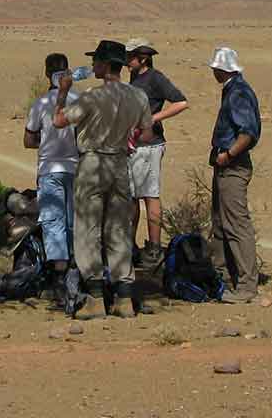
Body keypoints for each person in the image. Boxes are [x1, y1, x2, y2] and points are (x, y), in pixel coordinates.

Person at [51, 39, 154, 319]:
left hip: (93, 163)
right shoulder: (138, 97)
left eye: (96, 60)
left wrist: (63, 92)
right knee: (119, 229)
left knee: (87, 229)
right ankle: (124, 299)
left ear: (106, 65)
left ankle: (95, 298)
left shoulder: (92, 98)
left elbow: (58, 121)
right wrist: (127, 138)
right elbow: (146, 133)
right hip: (121, 164)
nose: (93, 65)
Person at [124, 39, 189, 268]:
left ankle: (153, 248)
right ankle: (129, 245)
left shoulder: (155, 77)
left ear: (142, 58)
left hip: (150, 147)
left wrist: (154, 118)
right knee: (131, 197)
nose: (126, 61)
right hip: (134, 145)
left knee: (150, 195)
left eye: (130, 56)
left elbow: (181, 102)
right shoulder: (135, 77)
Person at [208, 47, 261, 305]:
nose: (213, 72)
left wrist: (228, 155)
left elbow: (247, 132)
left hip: (233, 166)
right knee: (221, 223)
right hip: (226, 165)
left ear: (223, 69)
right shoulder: (234, 89)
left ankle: (246, 285)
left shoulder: (238, 93)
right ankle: (224, 278)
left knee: (236, 225)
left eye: (215, 68)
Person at [25, 52, 79, 300]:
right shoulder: (79, 101)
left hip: (49, 169)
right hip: (76, 168)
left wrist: (47, 141)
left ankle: (59, 276)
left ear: (47, 73)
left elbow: (29, 139)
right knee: (73, 220)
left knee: (53, 222)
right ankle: (76, 270)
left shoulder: (41, 103)